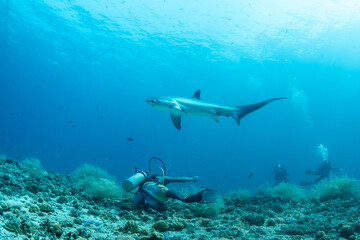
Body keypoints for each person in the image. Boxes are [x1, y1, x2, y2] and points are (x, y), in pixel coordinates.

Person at [131, 173, 217, 212]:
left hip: (145, 191)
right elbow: (179, 179)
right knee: (165, 194)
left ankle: (145, 203)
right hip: (155, 188)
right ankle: (185, 199)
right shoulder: (159, 177)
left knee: (164, 207)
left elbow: (137, 194)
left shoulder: (142, 182)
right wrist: (192, 179)